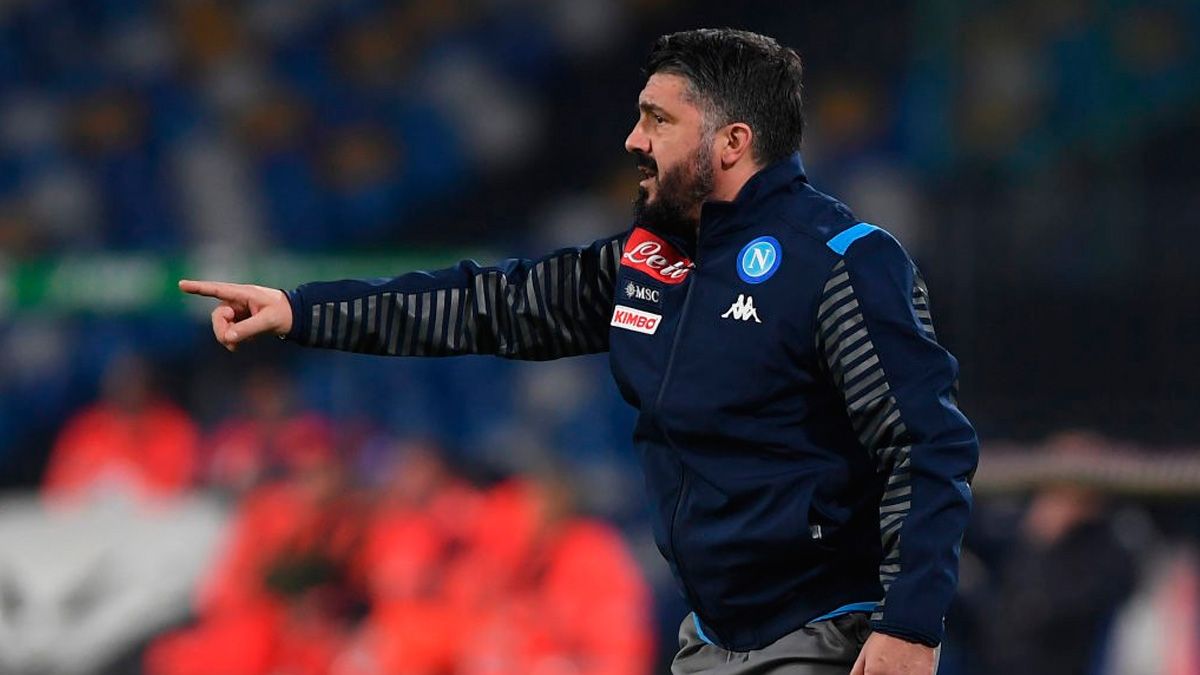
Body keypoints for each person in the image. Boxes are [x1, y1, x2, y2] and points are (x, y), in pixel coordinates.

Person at [180, 28, 978, 675]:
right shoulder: (646, 260)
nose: (633, 137)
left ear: (733, 142)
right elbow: (483, 306)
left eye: (659, 120)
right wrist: (301, 311)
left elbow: (926, 441)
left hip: (827, 636)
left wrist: (910, 623)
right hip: (711, 641)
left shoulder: (841, 260)